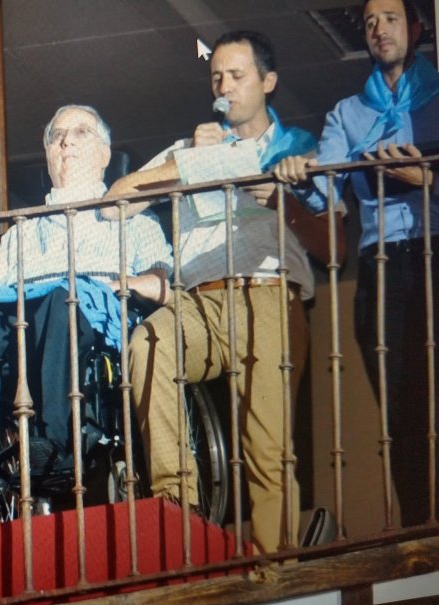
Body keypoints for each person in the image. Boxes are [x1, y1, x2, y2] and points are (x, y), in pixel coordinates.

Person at [107, 31, 333, 553]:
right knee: (150, 345)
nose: (225, 87)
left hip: (268, 293)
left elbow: (334, 244)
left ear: (268, 82)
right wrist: (188, 163)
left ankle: (276, 566)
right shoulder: (191, 147)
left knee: (267, 448)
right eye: (216, 78)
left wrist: (283, 199)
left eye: (237, 75)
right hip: (198, 301)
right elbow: (117, 201)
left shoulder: (302, 148)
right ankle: (179, 516)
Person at [0, 104, 173, 479]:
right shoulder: (22, 232)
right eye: (56, 136)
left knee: (61, 299)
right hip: (23, 334)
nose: (66, 142)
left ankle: (55, 446)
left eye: (80, 133)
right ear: (47, 155)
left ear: (104, 154)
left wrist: (114, 286)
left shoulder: (134, 218)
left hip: (89, 324)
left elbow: (162, 283)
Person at [274, 0, 439, 527]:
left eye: (390, 18)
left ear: (416, 27)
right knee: (400, 406)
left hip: (436, 251)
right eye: (369, 22)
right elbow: (327, 194)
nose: (378, 29)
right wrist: (299, 177)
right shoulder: (348, 113)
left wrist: (427, 180)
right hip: (381, 265)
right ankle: (419, 531)